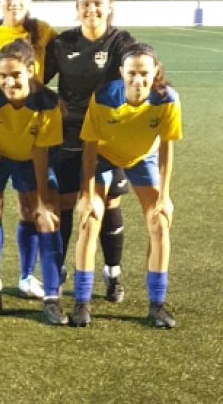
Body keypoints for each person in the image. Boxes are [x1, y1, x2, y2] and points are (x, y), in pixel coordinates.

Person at [70, 43, 181, 329]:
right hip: (104, 157)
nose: (138, 80)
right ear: (122, 72)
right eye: (132, 73)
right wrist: (87, 195)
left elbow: (166, 148)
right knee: (90, 219)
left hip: (143, 158)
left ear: (155, 72)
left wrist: (164, 196)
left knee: (159, 221)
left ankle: (157, 304)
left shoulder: (167, 99)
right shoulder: (104, 97)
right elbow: (90, 148)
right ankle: (81, 302)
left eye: (144, 73)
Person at [44, 0, 135, 302]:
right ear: (77, 8)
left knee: (108, 203)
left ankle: (112, 273)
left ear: (109, 7)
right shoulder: (62, 43)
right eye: (85, 3)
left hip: (108, 137)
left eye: (98, 3)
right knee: (66, 202)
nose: (91, 9)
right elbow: (36, 80)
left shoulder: (120, 42)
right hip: (70, 135)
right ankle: (58, 270)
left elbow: (137, 71)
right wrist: (51, 100)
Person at [0, 0, 59, 300]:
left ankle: (27, 276)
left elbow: (41, 154)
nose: (14, 1)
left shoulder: (44, 32)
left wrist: (43, 197)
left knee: (33, 208)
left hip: (31, 124)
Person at [0, 39, 67, 325]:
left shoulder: (47, 103)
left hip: (31, 156)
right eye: (3, 75)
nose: (9, 82)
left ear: (31, 70)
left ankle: (52, 298)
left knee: (46, 218)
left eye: (16, 75)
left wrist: (42, 201)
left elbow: (40, 153)